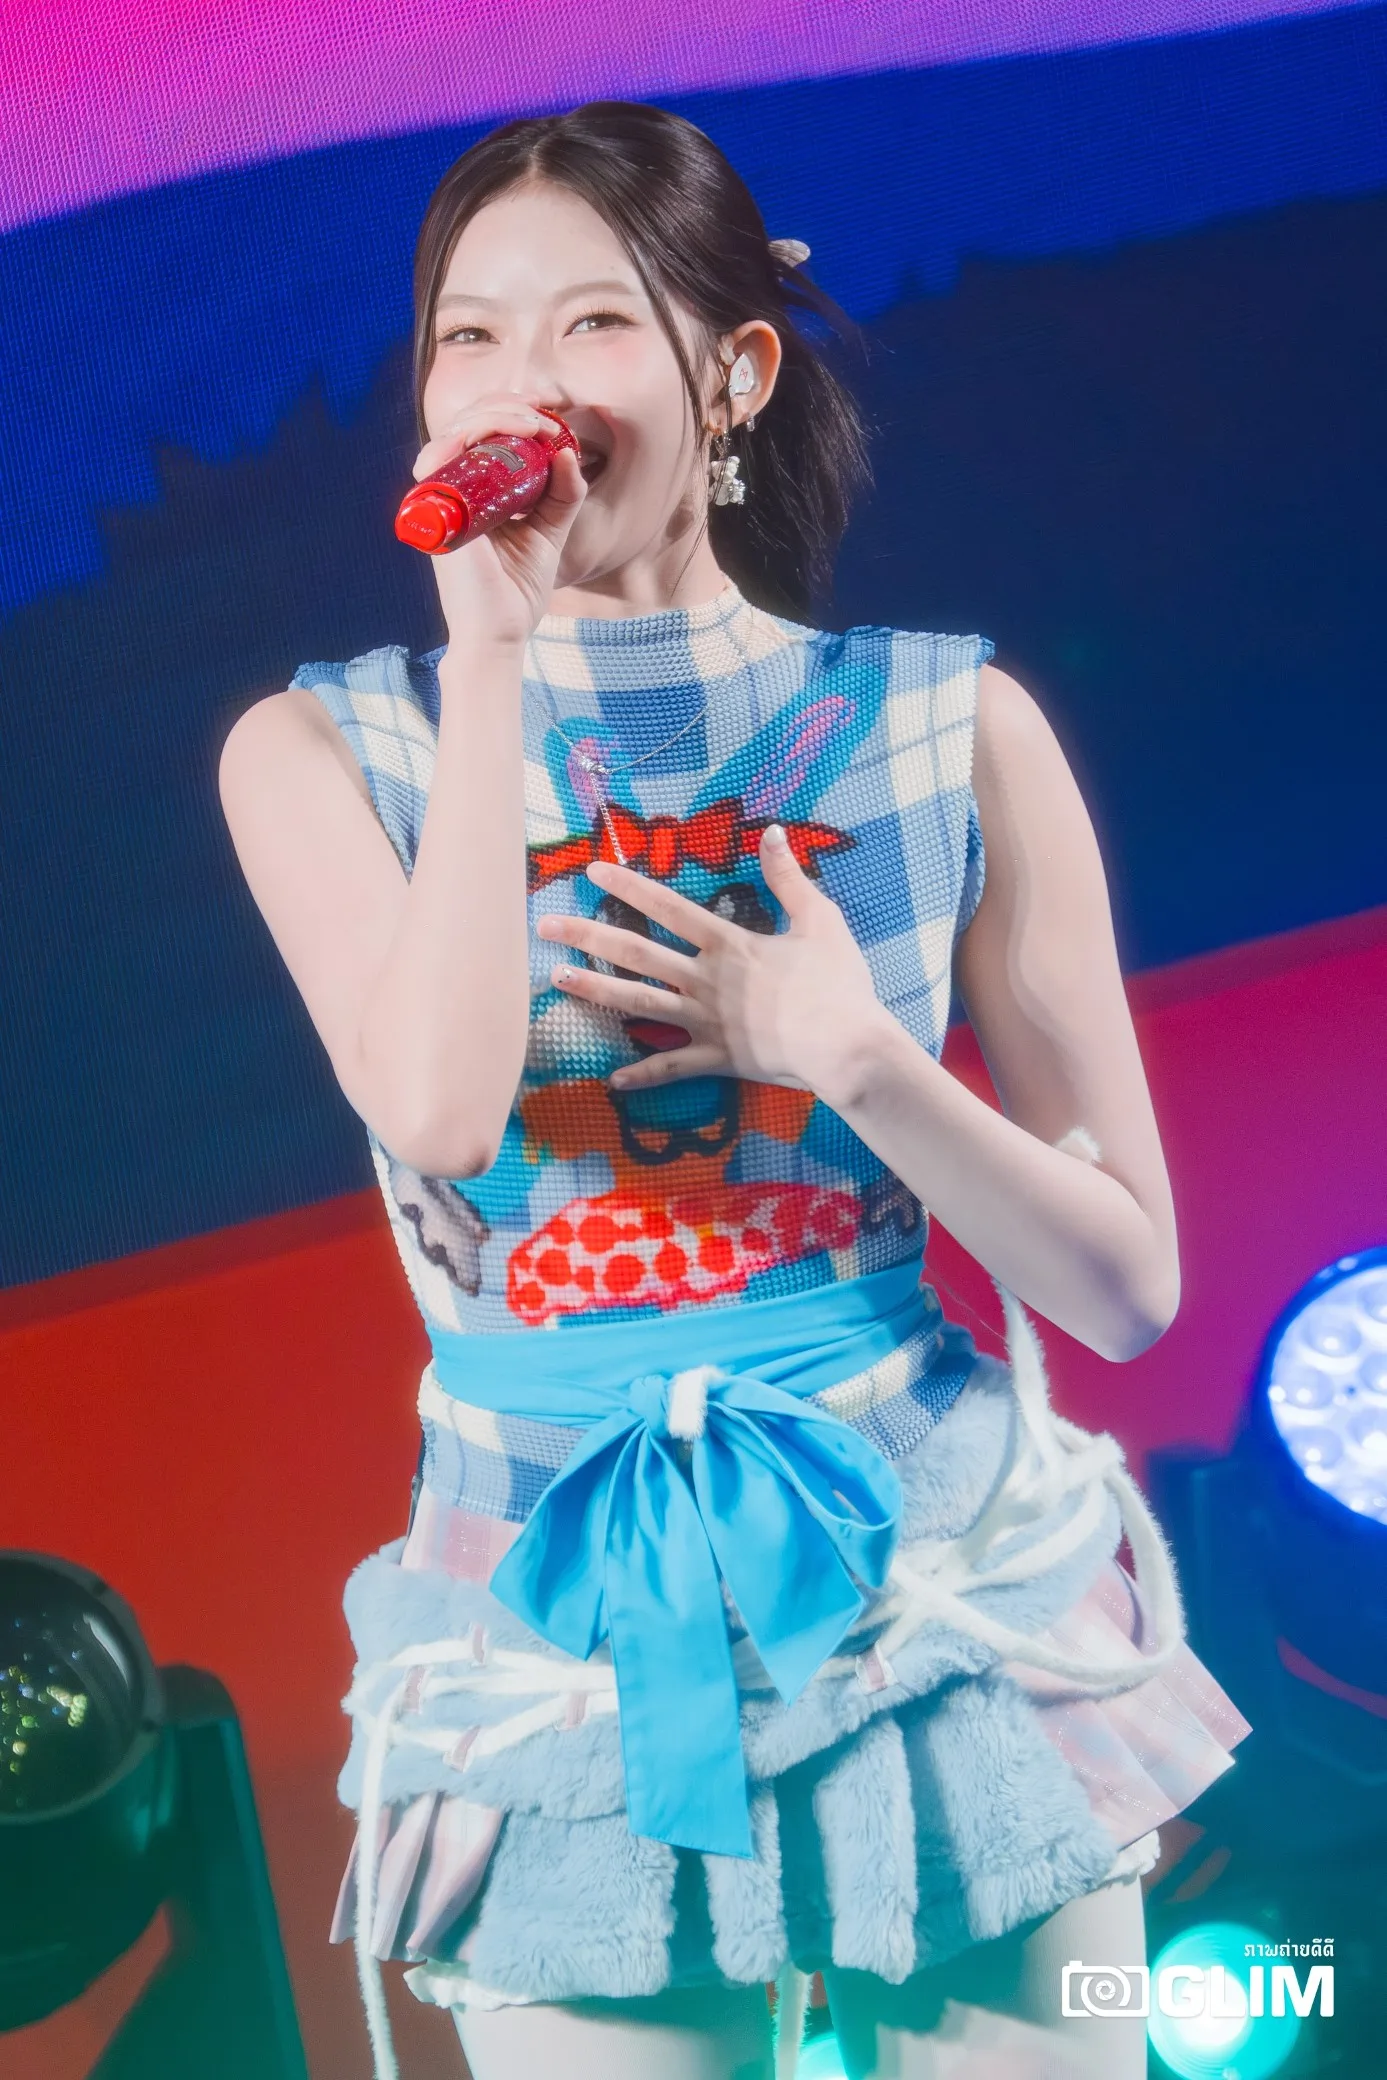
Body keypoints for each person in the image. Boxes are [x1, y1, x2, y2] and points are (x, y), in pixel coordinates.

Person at [218, 100, 1249, 2080]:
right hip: (547, 1595)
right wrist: (492, 659)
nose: (522, 385)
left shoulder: (950, 724)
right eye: (467, 337)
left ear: (735, 373)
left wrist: (853, 1052)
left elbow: (1126, 1289)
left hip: (937, 1571)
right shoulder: (328, 750)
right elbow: (437, 1110)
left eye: (593, 323)